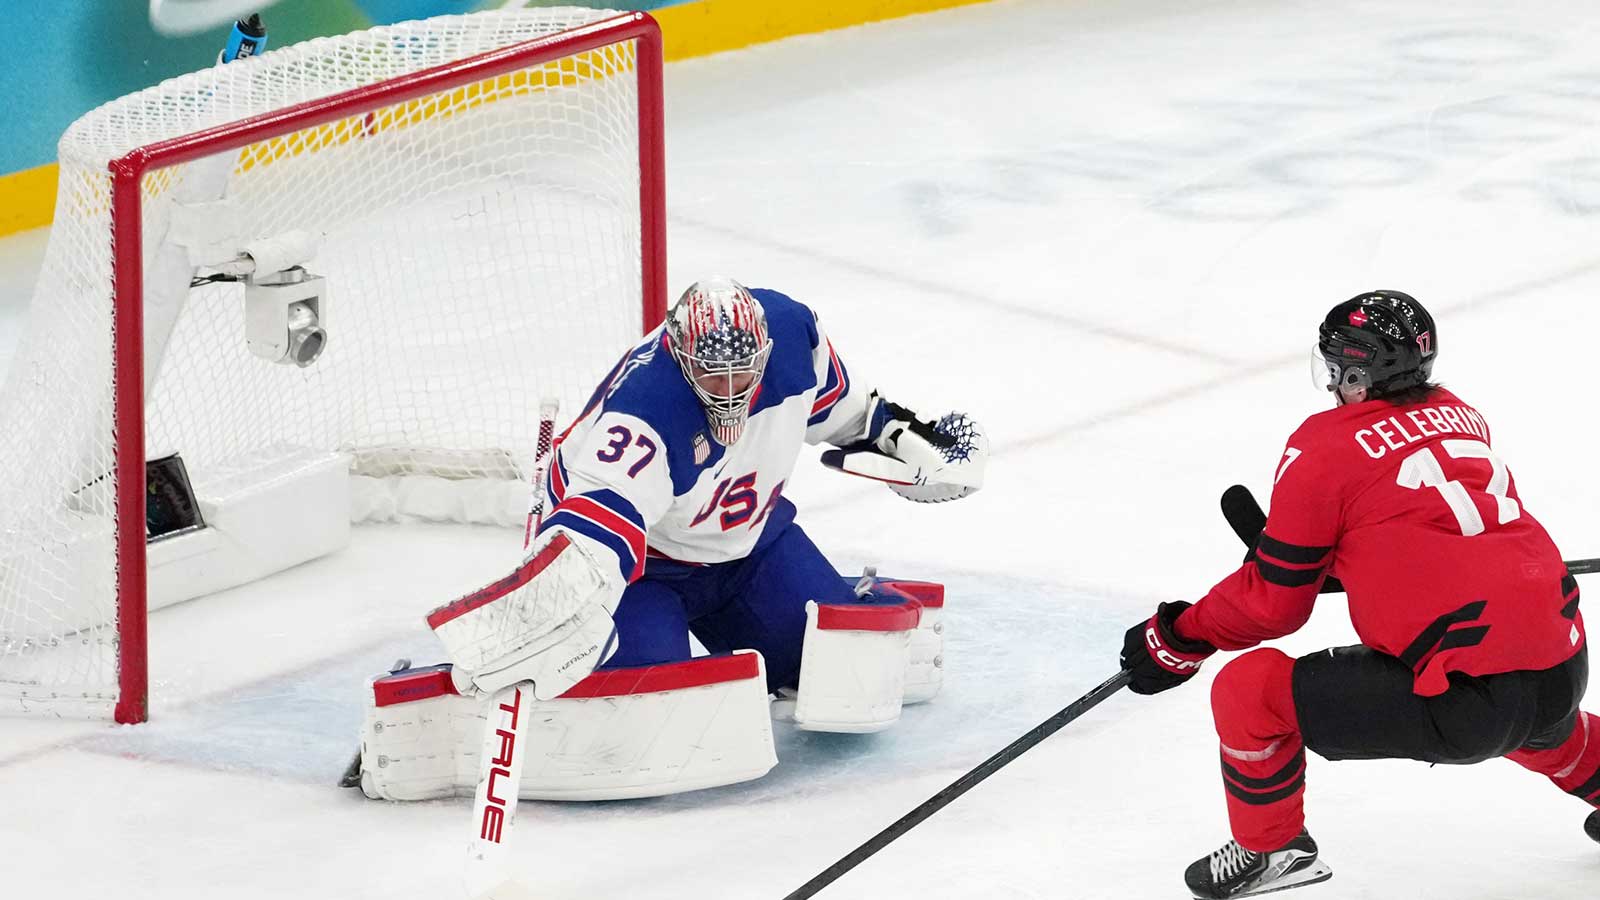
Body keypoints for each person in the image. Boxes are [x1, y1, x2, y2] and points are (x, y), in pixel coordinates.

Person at [346, 277, 986, 802]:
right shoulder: (644, 415)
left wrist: (906, 440)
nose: (731, 392)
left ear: (765, 349)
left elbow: (848, 414)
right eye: (713, 377)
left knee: (831, 666)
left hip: (749, 547)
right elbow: (596, 541)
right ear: (682, 358)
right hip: (643, 570)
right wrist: (542, 612)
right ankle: (463, 701)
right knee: (640, 704)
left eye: (743, 373)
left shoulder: (794, 334)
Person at [1119, 290, 1597, 899]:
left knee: (1250, 691)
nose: (1331, 384)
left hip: (1467, 700)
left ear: (1356, 374)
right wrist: (1327, 559)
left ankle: (1273, 850)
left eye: (1337, 369)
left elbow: (1273, 605)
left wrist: (1180, 636)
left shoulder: (1323, 446)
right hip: (1564, 667)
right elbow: (1427, 534)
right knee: (1531, 715)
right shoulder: (1462, 414)